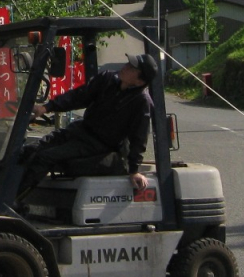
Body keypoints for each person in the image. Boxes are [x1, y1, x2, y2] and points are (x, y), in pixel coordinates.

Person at [17, 52, 158, 197]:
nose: (125, 66)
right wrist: (47, 107)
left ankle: (11, 201)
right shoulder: (108, 79)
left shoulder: (141, 102)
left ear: (140, 81)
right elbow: (79, 96)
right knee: (29, 150)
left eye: (132, 68)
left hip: (98, 144)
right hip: (80, 129)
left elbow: (139, 138)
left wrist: (134, 170)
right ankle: (0, 193)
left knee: (45, 157)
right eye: (128, 63)